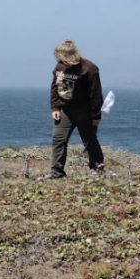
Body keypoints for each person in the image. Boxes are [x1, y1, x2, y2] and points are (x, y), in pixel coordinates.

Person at [45, 39, 105, 179]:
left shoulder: (89, 69)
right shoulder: (59, 67)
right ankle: (57, 173)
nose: (61, 63)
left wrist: (96, 116)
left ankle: (97, 170)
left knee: (89, 140)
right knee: (58, 139)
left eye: (63, 60)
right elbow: (55, 87)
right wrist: (55, 107)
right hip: (65, 110)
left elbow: (96, 94)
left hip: (85, 111)